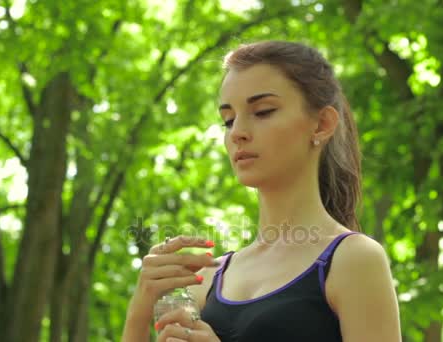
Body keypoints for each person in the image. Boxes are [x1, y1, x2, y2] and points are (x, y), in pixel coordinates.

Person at [121, 40, 401, 342]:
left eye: (263, 111)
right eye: (229, 120)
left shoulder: (353, 260)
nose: (238, 132)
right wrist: (139, 313)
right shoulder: (209, 278)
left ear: (321, 124)